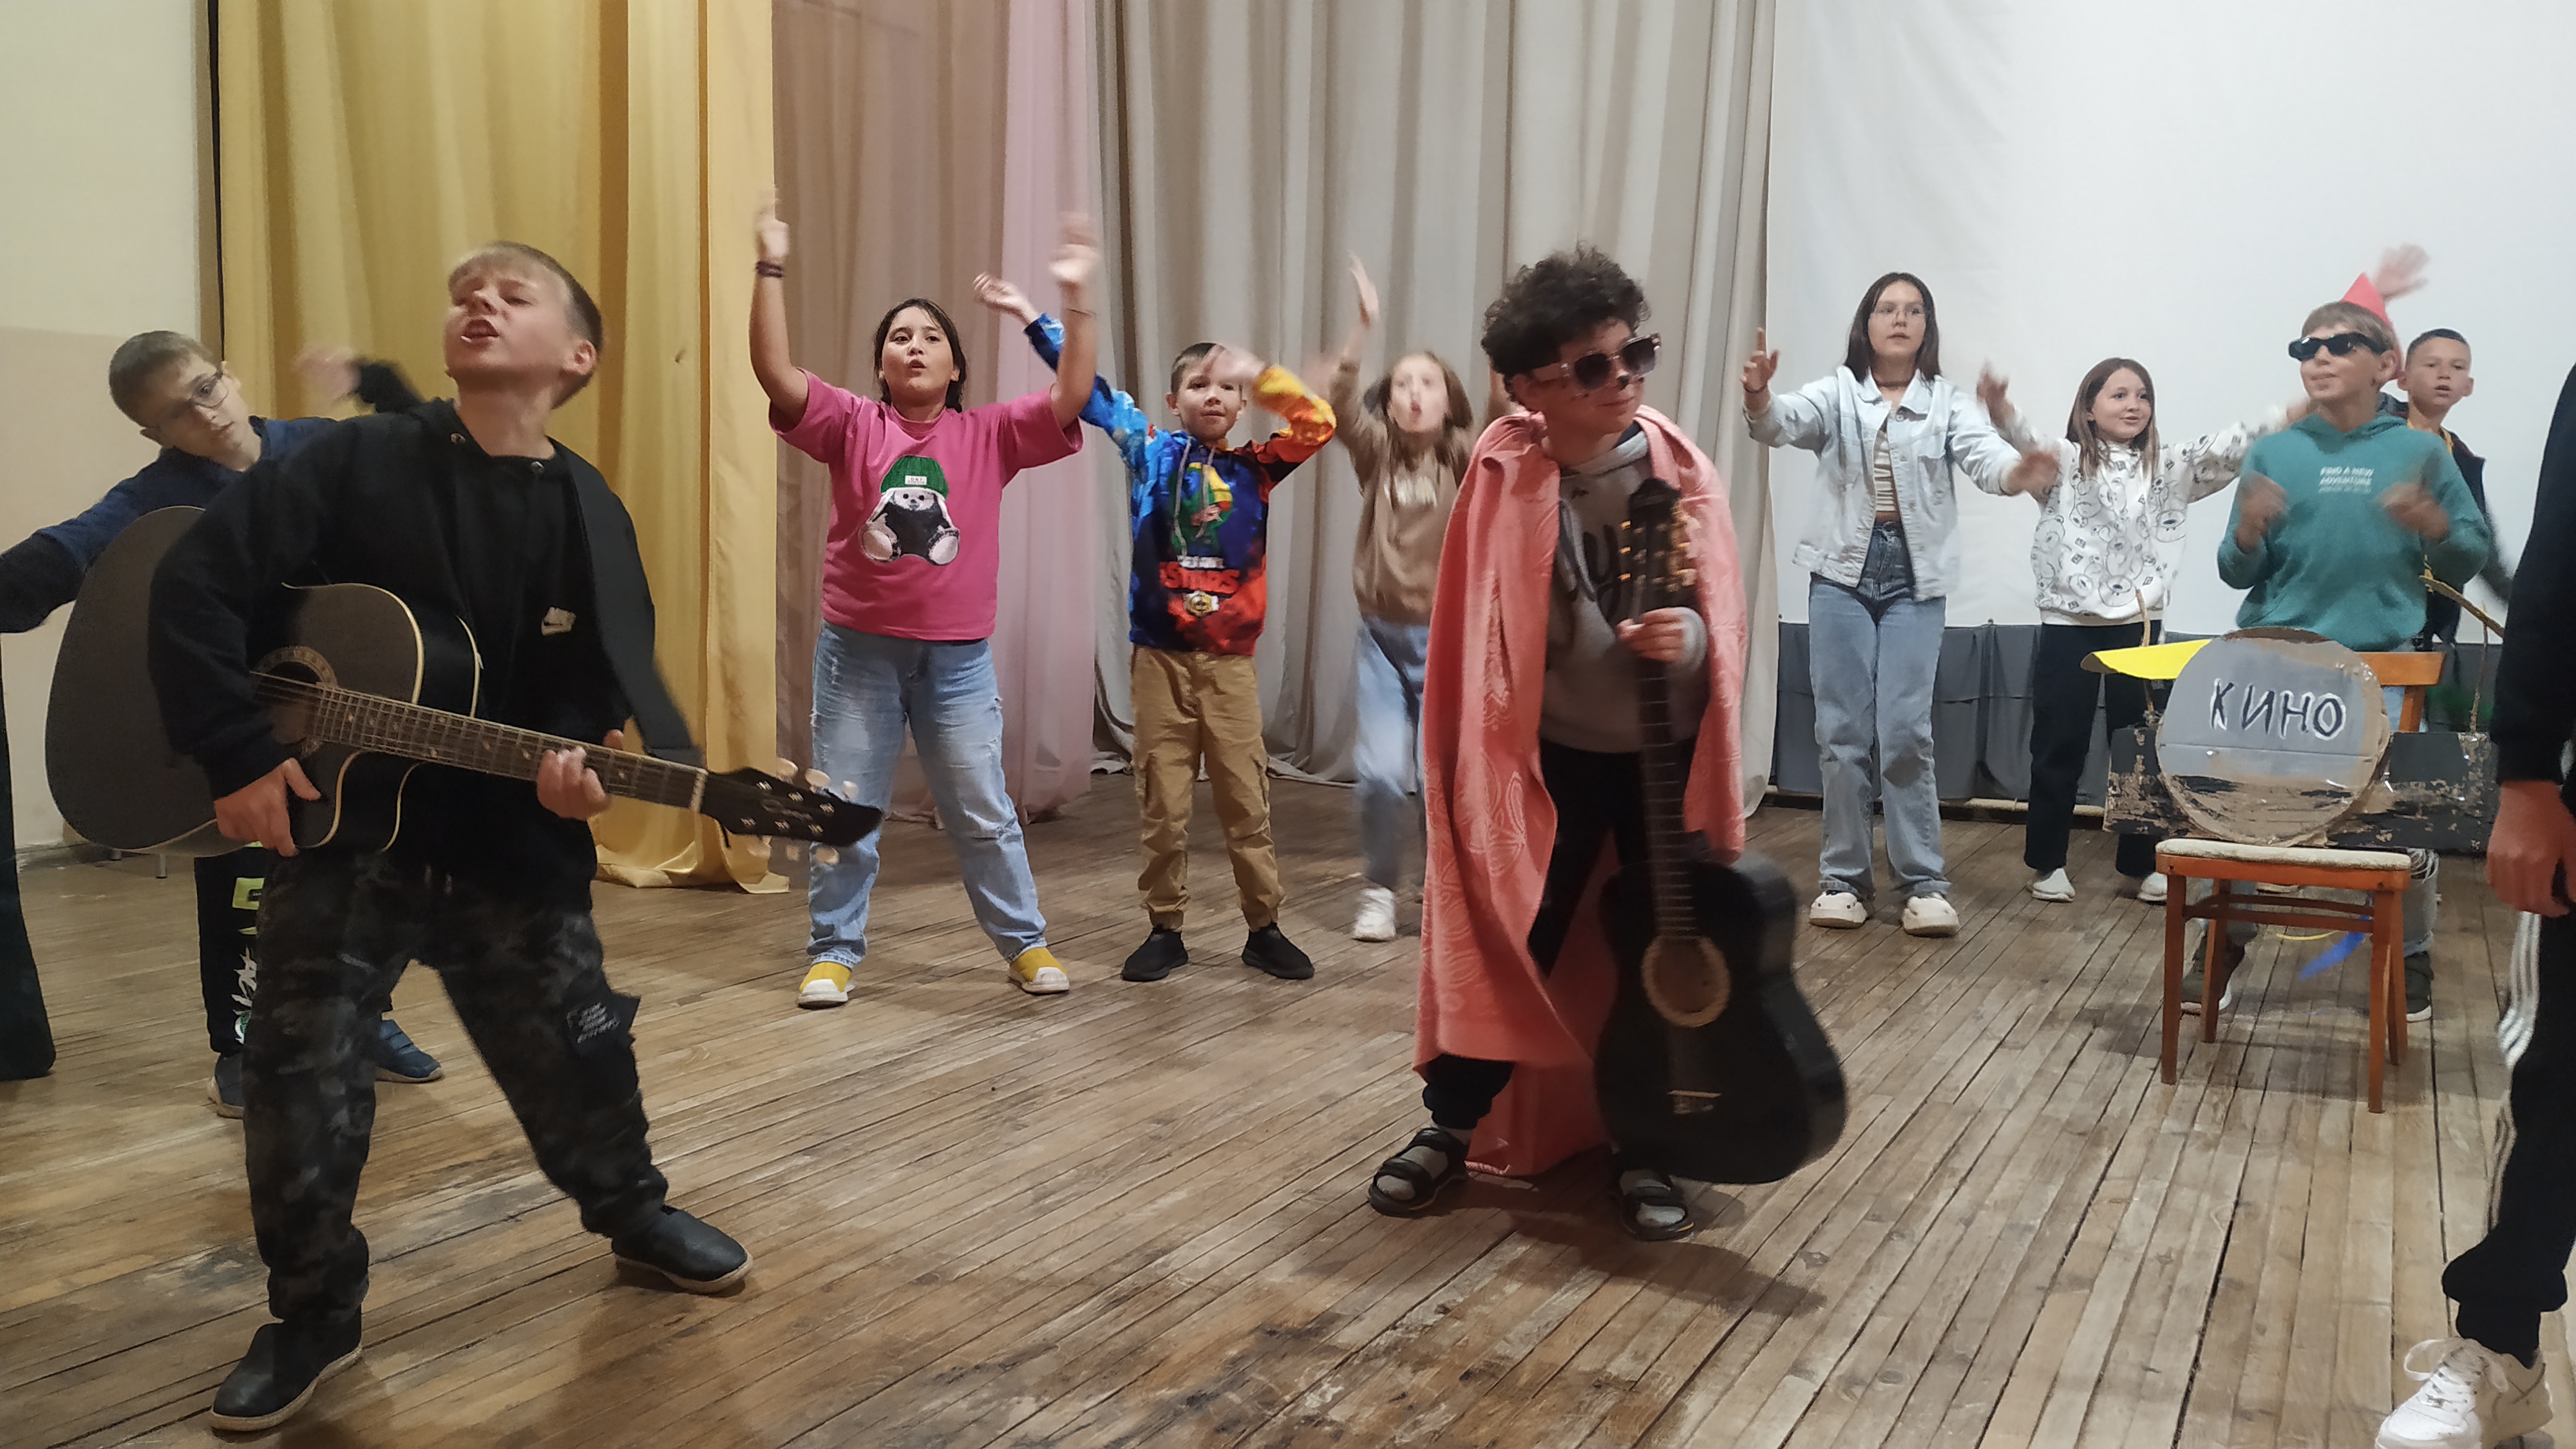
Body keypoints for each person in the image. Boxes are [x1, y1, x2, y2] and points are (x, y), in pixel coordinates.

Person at [149, 242, 750, 1431]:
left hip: (508, 844)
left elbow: (595, 689)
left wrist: (577, 771)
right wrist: (237, 750)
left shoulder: (592, 511)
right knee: (297, 1077)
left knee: (582, 1054)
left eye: (514, 294)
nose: (479, 301)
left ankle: (632, 1214)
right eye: (467, 292)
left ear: (577, 357)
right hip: (343, 835)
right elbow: (194, 587)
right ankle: (312, 1312)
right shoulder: (356, 460)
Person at [1368, 245, 1747, 1240]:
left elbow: (1717, 617)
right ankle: (1452, 1126)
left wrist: (1687, 637)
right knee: (1512, 937)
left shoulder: (1675, 471)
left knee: (1662, 955)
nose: (1622, 380)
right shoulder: (1504, 473)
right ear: (1527, 387)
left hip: (1660, 758)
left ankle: (1648, 1142)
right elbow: (1479, 633)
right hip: (1549, 761)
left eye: (1635, 355)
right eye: (1591, 366)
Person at [0, 331, 440, 1113]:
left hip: (348, 713)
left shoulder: (320, 448)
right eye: (178, 413)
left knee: (378, 876)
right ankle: (243, 1043)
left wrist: (375, 378)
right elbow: (56, 559)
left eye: (206, 389)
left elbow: (434, 451)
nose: (205, 415)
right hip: (244, 731)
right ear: (154, 433)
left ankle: (365, 1017)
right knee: (248, 894)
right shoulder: (153, 500)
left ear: (228, 376)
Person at [752, 198, 1097, 1004]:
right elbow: (774, 373)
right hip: (858, 655)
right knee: (842, 811)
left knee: (981, 810)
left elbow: (1073, 395)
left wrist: (1074, 298)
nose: (914, 344)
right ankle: (834, 950)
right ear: (881, 366)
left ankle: (1025, 944)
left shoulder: (990, 434)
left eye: (932, 336)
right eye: (900, 336)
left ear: (955, 369)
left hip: (957, 662)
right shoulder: (850, 424)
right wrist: (769, 265)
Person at [1004, 281, 1336, 985]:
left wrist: (1260, 373)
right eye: (1197, 385)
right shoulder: (1149, 452)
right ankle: (1165, 928)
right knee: (1164, 805)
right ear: (1172, 400)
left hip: (1230, 666)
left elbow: (1317, 423)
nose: (1213, 396)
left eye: (1226, 388)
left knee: (1246, 801)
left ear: (1242, 405)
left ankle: (1264, 928)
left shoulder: (1257, 469)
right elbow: (1090, 393)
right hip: (1159, 663)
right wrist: (1034, 319)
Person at [2189, 298, 2492, 1024]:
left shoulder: (2420, 452)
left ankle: (2410, 954)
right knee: (2243, 811)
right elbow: (2234, 570)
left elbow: (2470, 553)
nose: (2318, 357)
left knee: (2399, 818)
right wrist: (2248, 533)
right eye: (2306, 348)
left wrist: (2436, 525)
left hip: (2382, 669)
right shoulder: (2275, 452)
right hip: (2275, 666)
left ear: (2385, 366)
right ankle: (2223, 944)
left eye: (2339, 345)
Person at [2372, 360, 2573, 1449]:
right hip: (2357, 673)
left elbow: (2490, 564)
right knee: (2564, 1078)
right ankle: (2502, 1346)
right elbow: (2549, 566)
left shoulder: (2464, 462)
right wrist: (2531, 767)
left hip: (2427, 662)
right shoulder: (2313, 456)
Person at [1744, 274, 2043, 936]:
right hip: (1841, 575)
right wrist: (1760, 393)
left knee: (1907, 732)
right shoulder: (1837, 392)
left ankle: (1923, 885)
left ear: (1927, 327)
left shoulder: (1947, 402)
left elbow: (1986, 459)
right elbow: (1780, 423)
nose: (1900, 319)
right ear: (1867, 323)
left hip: (1914, 580)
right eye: (1887, 309)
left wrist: (2017, 473)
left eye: (1913, 310)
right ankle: (1843, 881)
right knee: (1841, 735)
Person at [1999, 359, 2304, 906]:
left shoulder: (2169, 466)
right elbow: (2024, 437)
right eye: (2118, 395)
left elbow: (2235, 441)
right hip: (2069, 624)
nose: (2133, 405)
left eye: (2142, 395)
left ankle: (2141, 865)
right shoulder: (2064, 461)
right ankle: (2047, 863)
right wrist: (1999, 407)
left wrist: (2298, 408)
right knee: (2058, 744)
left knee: (2140, 747)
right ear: (2089, 408)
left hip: (2140, 626)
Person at [1322, 255, 1492, 942]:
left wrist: (1498, 361)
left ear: (1449, 400)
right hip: (1382, 642)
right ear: (1388, 402)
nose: (1415, 395)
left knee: (1439, 778)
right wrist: (1363, 328)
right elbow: (1340, 404)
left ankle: (1442, 886)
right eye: (1402, 385)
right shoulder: (1378, 455)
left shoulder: (1464, 457)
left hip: (1448, 642)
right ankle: (1378, 890)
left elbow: (1504, 419)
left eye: (1428, 384)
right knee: (1380, 775)